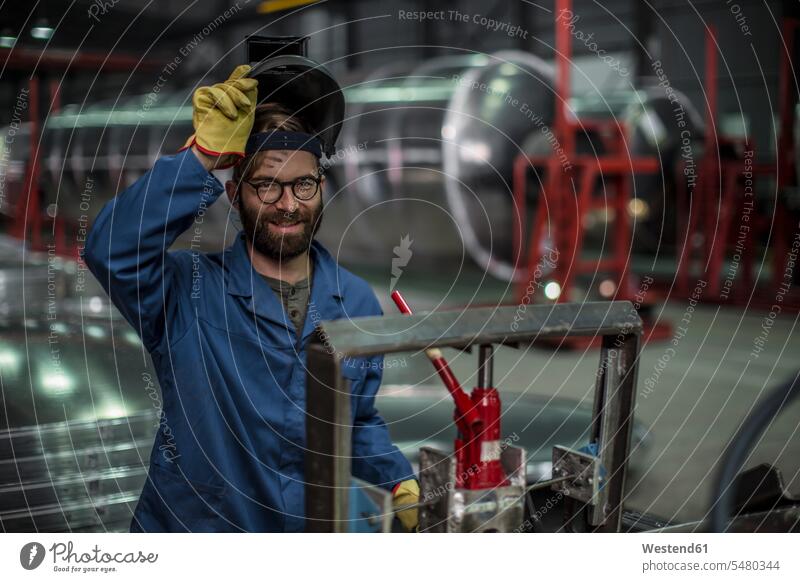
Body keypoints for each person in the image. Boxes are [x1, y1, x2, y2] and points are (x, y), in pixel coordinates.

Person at [84, 65, 419, 532]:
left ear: (321, 189)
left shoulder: (355, 300)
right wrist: (199, 155)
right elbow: (110, 247)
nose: (288, 204)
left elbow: (353, 422)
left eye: (303, 184)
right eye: (266, 185)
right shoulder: (186, 290)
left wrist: (399, 478)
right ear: (233, 192)